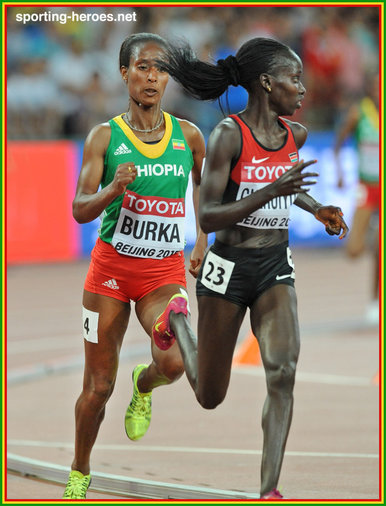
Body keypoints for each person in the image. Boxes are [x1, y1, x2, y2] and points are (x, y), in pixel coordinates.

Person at [149, 38, 349, 499]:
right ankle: (176, 320)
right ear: (266, 82)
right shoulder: (228, 135)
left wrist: (316, 207)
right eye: (294, 79)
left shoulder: (293, 135)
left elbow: (287, 187)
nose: (302, 89)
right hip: (227, 269)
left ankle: (269, 491)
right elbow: (209, 216)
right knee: (209, 396)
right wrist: (270, 190)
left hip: (274, 265)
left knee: (283, 371)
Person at [62, 32, 206, 499]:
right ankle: (80, 471)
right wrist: (110, 191)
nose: (152, 77)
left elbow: (208, 191)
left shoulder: (189, 136)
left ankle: (143, 386)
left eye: (160, 69)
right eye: (142, 67)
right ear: (124, 72)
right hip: (108, 274)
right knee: (97, 389)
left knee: (175, 361)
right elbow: (80, 208)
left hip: (163, 274)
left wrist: (203, 240)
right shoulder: (104, 136)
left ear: (169, 77)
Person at [334, 73, 379, 325]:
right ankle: (371, 233)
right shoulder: (358, 113)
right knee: (353, 250)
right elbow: (338, 143)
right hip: (365, 186)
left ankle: (375, 301)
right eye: (375, 84)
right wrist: (340, 171)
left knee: (380, 252)